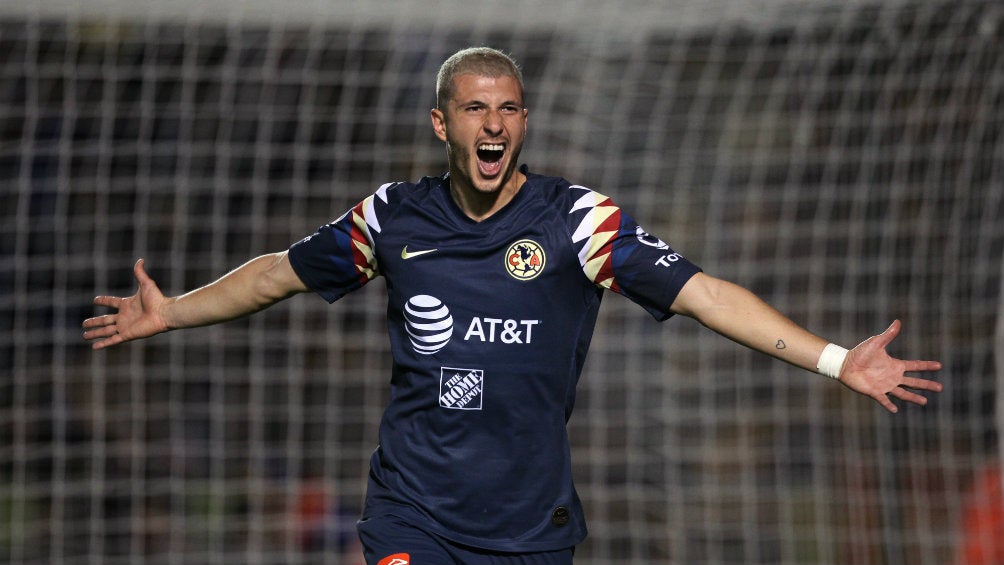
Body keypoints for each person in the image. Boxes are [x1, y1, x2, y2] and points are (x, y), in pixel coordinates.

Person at [83, 47, 943, 565]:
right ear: (441, 124)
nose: (492, 125)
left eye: (507, 110)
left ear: (522, 122)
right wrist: (175, 311)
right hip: (413, 505)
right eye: (474, 109)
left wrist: (837, 360)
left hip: (532, 523)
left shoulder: (579, 222)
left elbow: (706, 294)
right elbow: (278, 272)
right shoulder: (393, 217)